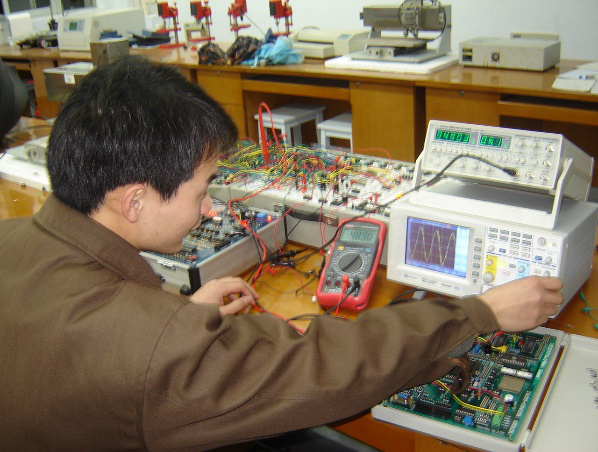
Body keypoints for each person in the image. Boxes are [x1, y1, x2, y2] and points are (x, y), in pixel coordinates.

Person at [0, 56, 564, 451]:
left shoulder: (12, 239)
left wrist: (179, 314)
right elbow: (324, 366)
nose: (211, 211)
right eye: (204, 190)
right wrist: (480, 311)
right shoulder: (154, 348)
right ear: (134, 201)